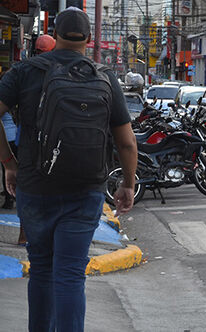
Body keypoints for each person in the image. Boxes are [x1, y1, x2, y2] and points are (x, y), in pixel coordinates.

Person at [0, 8, 138, 331]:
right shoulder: (104, 77)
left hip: (34, 187)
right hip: (84, 192)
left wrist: (9, 163)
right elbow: (127, 144)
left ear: (54, 34)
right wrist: (128, 185)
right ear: (89, 40)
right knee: (70, 274)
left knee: (43, 270)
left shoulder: (24, 72)